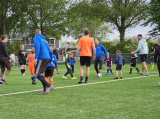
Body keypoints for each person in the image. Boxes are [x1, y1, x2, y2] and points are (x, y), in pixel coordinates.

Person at [33, 29, 54, 94]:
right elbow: (50, 51)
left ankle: (49, 86)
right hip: (47, 57)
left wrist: (36, 58)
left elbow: (37, 47)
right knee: (41, 74)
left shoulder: (36, 38)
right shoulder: (45, 40)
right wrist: (50, 60)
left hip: (42, 57)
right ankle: (45, 90)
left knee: (36, 74)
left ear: (35, 34)